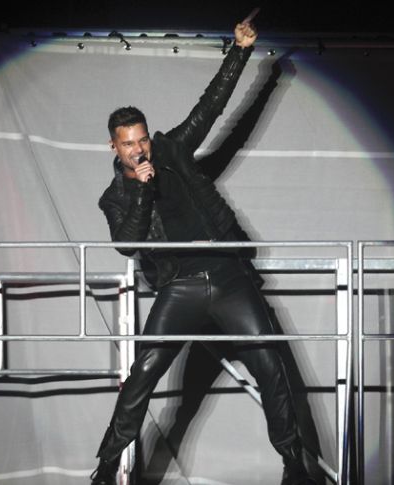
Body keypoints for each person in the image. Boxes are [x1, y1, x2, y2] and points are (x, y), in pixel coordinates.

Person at [92, 18, 316, 485]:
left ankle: (294, 463)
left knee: (270, 364)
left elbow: (212, 108)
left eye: (142, 139)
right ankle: (107, 466)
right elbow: (128, 243)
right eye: (128, 144)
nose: (139, 150)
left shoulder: (171, 150)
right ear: (114, 146)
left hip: (229, 274)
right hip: (181, 287)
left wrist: (240, 51)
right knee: (145, 371)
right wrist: (141, 190)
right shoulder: (115, 197)